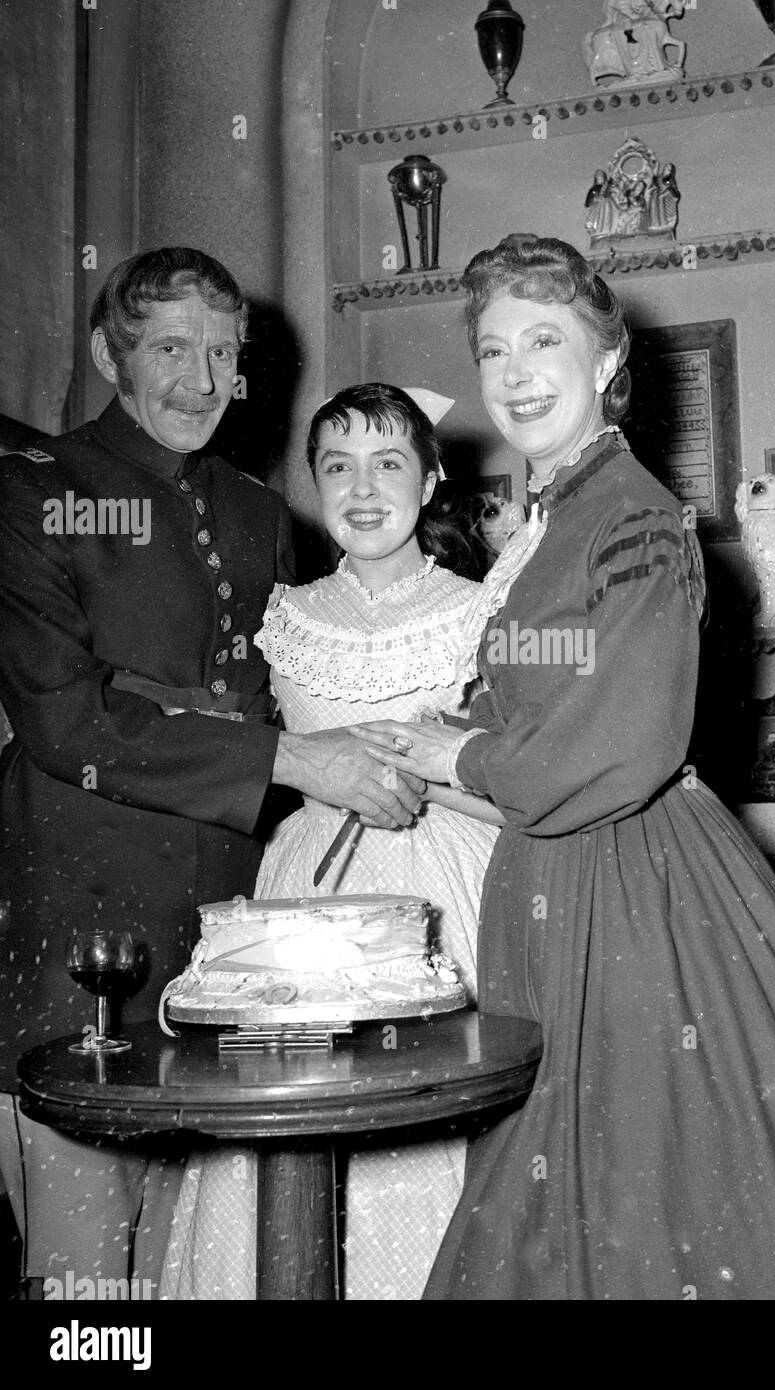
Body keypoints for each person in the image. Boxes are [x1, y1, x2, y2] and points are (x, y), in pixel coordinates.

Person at [354, 233, 775, 1300]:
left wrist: (468, 750)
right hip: (557, 879)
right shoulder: (553, 519)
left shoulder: (633, 514)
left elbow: (627, 743)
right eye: (494, 351)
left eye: (546, 341)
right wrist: (448, 726)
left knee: (651, 1193)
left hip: (633, 892)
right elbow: (562, 699)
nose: (517, 373)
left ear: (603, 360)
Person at [0, 252, 423, 1297]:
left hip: (230, 948)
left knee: (201, 1261)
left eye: (223, 352)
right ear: (109, 353)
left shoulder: (255, 510)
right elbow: (67, 720)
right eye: (171, 349)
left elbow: (295, 689)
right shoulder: (32, 491)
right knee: (88, 1279)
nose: (201, 379)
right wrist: (286, 753)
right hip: (79, 940)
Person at [160, 383, 507, 1300]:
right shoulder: (285, 615)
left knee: (427, 1126)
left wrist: (422, 779)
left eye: (389, 462)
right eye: (337, 465)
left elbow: (518, 781)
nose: (362, 487)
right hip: (306, 891)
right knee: (291, 1128)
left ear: (431, 482)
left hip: (447, 887)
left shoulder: (484, 611)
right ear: (312, 482)